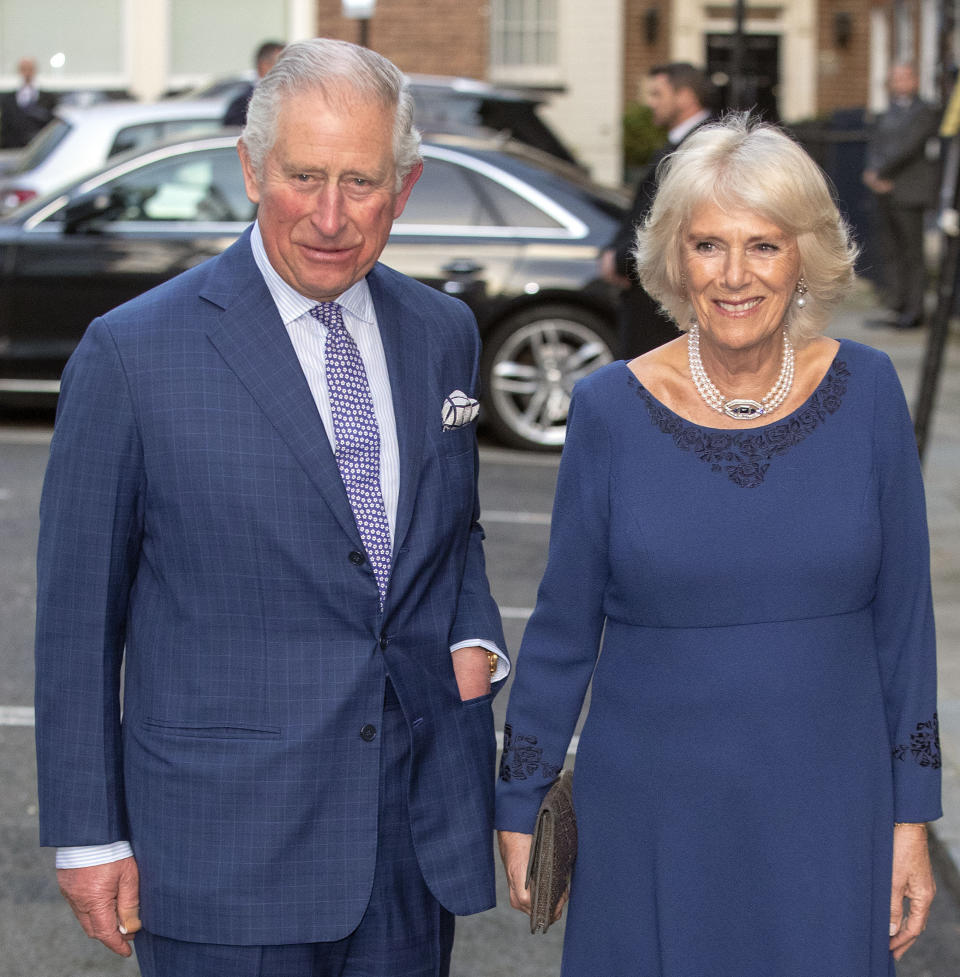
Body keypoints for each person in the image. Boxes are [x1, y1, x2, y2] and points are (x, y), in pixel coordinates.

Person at [35, 37, 508, 977]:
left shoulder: (441, 333)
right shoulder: (132, 354)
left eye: (361, 183)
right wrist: (88, 835)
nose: (330, 217)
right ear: (252, 169)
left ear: (404, 190)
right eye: (303, 176)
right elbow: (77, 616)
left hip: (407, 845)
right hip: (221, 851)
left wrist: (473, 635)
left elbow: (452, 530)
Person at [497, 114, 940, 976]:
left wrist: (912, 817)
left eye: (763, 246)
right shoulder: (608, 410)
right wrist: (521, 798)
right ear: (674, 260)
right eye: (708, 245)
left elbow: (905, 626)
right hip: (652, 821)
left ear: (803, 257)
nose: (735, 275)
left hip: (828, 814)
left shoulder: (873, 395)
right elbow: (560, 628)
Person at [599, 63, 714, 358]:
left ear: (685, 97)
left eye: (657, 93)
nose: (650, 102)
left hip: (664, 301)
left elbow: (673, 221)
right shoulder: (681, 144)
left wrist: (621, 259)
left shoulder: (700, 148)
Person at [862, 63, 941, 330]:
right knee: (891, 250)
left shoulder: (925, 111)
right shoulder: (887, 112)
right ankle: (895, 304)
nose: (899, 82)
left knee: (911, 252)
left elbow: (909, 147)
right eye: (895, 77)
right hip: (885, 191)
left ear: (915, 80)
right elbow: (876, 144)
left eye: (905, 77)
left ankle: (914, 309)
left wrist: (883, 173)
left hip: (909, 191)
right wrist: (873, 173)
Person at [222, 39, 285, 127]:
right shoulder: (241, 105)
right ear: (263, 66)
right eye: (283, 65)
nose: (288, 71)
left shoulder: (292, 98)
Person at [0, 56, 56, 148]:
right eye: (24, 69)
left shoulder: (48, 98)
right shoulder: (8, 99)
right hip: (14, 148)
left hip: (40, 146)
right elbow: (5, 127)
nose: (27, 73)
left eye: (30, 69)